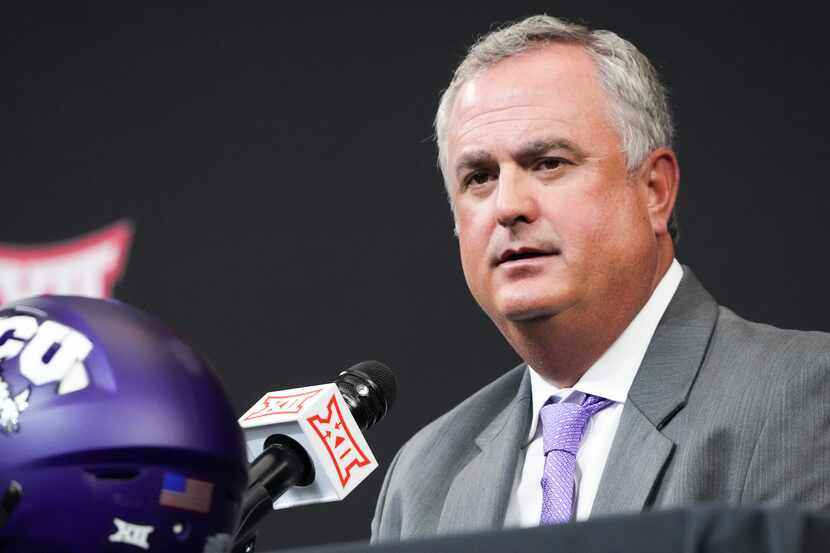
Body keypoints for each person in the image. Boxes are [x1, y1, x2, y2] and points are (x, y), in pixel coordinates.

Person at [371, 15, 830, 542]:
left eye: (548, 163)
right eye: (479, 177)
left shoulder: (806, 396)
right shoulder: (423, 475)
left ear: (654, 189)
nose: (508, 206)